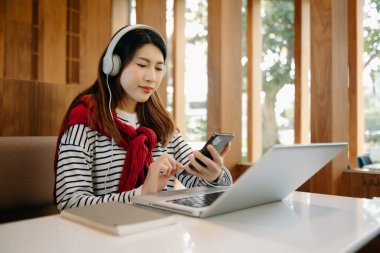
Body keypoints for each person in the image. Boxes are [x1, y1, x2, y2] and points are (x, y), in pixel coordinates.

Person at [54, 24, 233, 212]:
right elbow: (69, 203)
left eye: (158, 68)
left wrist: (215, 175)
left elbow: (201, 184)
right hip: (103, 236)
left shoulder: (162, 124)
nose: (152, 78)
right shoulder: (85, 120)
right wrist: (141, 194)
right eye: (142, 65)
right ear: (113, 65)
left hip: (158, 232)